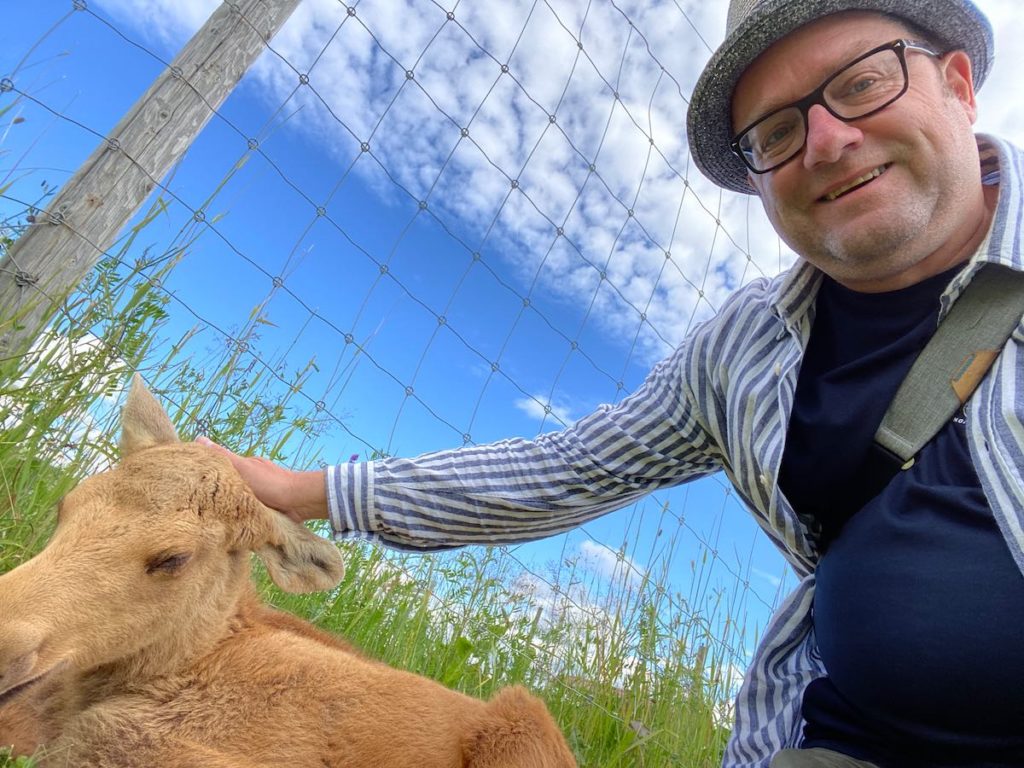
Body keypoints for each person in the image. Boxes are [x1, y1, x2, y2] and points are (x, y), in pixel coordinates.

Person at [198, 1, 1024, 766]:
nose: (827, 141)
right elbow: (562, 471)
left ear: (956, 85)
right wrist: (300, 492)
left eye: (863, 82)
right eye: (775, 133)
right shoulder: (740, 350)